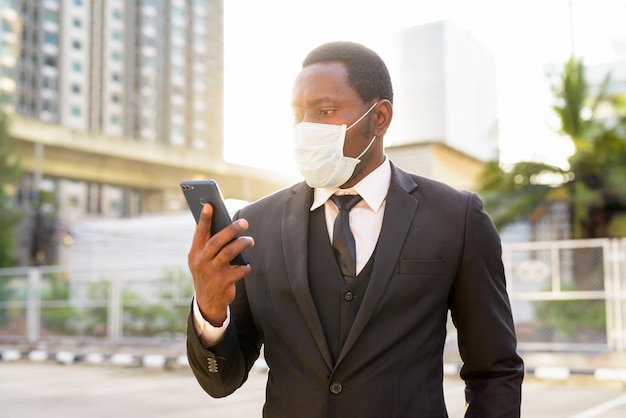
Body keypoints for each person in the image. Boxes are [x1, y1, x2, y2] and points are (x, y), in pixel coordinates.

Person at [186, 41, 524, 417]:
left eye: (325, 111)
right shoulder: (255, 224)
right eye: (299, 114)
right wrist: (210, 308)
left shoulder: (456, 217)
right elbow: (221, 381)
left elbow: (495, 371)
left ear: (379, 117)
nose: (306, 129)